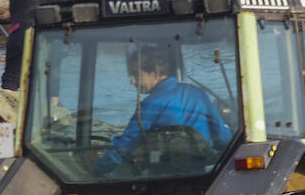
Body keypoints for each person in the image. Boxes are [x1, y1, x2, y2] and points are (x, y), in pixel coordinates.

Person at [93, 45, 232, 175]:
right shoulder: (198, 94)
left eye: (135, 75)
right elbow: (223, 136)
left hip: (163, 179)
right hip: (200, 177)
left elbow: (125, 145)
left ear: (155, 73)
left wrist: (98, 170)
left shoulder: (150, 104)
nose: (132, 81)